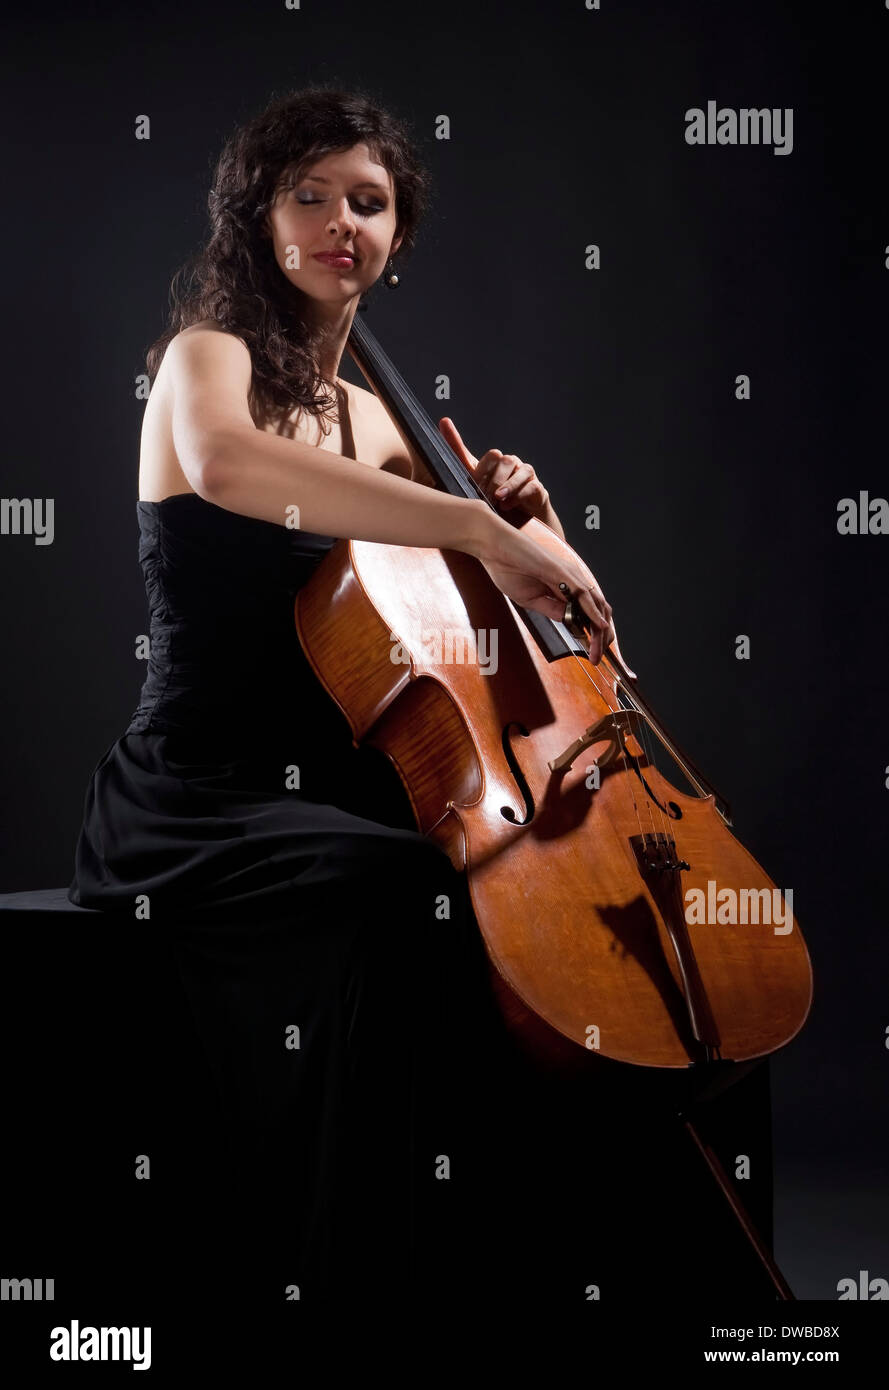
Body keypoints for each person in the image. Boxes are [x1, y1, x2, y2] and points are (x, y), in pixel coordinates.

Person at [66, 85, 616, 1316]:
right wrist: (469, 514)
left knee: (497, 900)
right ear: (257, 222)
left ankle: (486, 1271)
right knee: (411, 895)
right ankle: (337, 1287)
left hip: (339, 777)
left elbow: (492, 608)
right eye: (305, 196)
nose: (336, 222)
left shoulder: (378, 419)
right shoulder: (203, 360)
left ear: (397, 236)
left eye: (365, 202)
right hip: (196, 796)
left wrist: (530, 516)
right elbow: (228, 469)